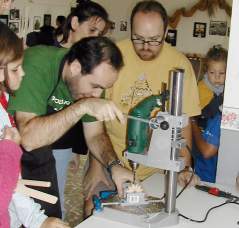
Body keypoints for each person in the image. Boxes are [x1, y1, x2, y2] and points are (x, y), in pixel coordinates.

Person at [83, 0, 201, 216]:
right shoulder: (111, 56)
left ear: (165, 32)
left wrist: (184, 168)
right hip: (111, 160)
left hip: (158, 170)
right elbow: (95, 120)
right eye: (138, 39)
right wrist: (97, 166)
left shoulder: (180, 65)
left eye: (154, 40)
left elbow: (184, 124)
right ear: (130, 30)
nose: (145, 46)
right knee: (94, 210)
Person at [8, 36, 133, 218]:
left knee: (50, 218)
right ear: (75, 67)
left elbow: (95, 135)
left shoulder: (92, 81)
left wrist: (114, 166)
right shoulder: (37, 64)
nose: (97, 94)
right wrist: (82, 106)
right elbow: (28, 139)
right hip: (10, 148)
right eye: (95, 86)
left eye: (103, 88)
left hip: (41, 152)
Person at [0, 21, 71, 228]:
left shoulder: (5, 101)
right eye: (15, 68)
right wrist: (10, 150)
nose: (22, 74)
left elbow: (12, 181)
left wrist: (37, 220)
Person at [52, 0, 111, 218]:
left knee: (57, 201)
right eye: (91, 29)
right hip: (38, 139)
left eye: (99, 33)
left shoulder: (89, 65)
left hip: (64, 142)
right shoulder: (44, 53)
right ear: (75, 22)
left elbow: (84, 113)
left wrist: (78, 150)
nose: (93, 37)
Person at [191, 45, 227, 183]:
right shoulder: (201, 87)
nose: (216, 77)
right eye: (212, 73)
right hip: (201, 131)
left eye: (221, 73)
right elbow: (196, 112)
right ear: (207, 71)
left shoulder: (230, 89)